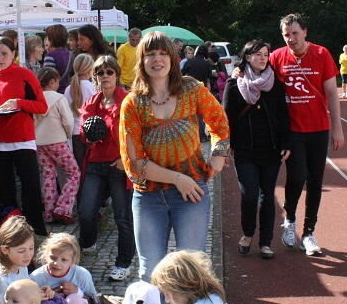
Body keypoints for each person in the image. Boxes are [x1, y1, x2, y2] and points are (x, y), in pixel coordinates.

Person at [120, 31, 230, 279]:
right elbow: (135, 163)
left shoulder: (192, 90)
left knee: (191, 270)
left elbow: (219, 122)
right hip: (149, 197)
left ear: (171, 57)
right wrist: (178, 179)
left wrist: (218, 157)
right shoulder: (133, 104)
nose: (157, 59)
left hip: (192, 194)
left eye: (162, 53)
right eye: (150, 54)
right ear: (141, 60)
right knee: (150, 273)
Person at [268, 13, 343, 257]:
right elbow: (259, 74)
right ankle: (289, 220)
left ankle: (309, 233)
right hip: (292, 130)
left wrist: (337, 128)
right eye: (286, 35)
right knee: (296, 176)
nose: (291, 39)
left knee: (315, 181)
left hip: (319, 128)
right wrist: (240, 73)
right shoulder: (277, 57)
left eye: (295, 33)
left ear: (305, 32)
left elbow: (331, 92)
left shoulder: (321, 54)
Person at [223, 39, 289, 260]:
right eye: (257, 54)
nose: (263, 58)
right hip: (244, 150)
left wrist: (285, 142)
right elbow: (225, 117)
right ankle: (248, 233)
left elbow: (283, 115)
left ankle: (266, 242)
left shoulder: (274, 84)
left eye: (265, 54)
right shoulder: (234, 84)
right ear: (247, 57)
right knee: (249, 194)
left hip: (270, 149)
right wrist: (225, 147)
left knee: (267, 196)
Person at [0, 37, 49, 236]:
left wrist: (19, 103)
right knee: (4, 190)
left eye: (4, 54)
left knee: (31, 187)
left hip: (22, 140)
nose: (0, 58)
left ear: (13, 54)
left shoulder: (26, 75)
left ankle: (35, 228)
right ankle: (10, 231)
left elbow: (42, 106)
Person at [78, 55, 134, 281]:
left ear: (117, 75)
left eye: (109, 72)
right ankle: (88, 242)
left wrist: (126, 159)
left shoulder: (128, 100)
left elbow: (138, 134)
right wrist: (88, 137)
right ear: (95, 77)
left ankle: (124, 262)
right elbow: (84, 133)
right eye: (100, 73)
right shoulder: (91, 102)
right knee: (86, 211)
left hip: (119, 166)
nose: (105, 76)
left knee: (123, 218)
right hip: (96, 164)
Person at [35, 67, 79, 224]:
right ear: (52, 81)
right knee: (74, 173)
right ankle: (63, 207)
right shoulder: (59, 98)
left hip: (39, 142)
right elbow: (68, 120)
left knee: (48, 175)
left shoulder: (35, 98)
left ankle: (48, 212)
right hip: (58, 141)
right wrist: (67, 135)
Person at [31, 232, 96, 304]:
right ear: (46, 255)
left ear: (73, 261)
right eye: (53, 258)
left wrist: (77, 291)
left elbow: (94, 299)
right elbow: (28, 302)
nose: (56, 263)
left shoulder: (82, 274)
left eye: (64, 260)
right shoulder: (36, 277)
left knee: (74, 301)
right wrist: (46, 295)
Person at [65, 53, 96, 171]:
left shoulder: (68, 89)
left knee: (79, 168)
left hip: (74, 133)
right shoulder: (92, 88)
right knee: (90, 168)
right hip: (89, 132)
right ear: (90, 69)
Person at [0, 215, 35, 291]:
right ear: (5, 250)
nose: (28, 255)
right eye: (21, 251)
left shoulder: (21, 266)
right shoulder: (2, 279)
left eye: (31, 248)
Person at [42, 24, 73, 90]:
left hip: (55, 91)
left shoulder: (50, 56)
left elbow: (46, 77)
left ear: (52, 39)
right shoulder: (71, 54)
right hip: (69, 90)